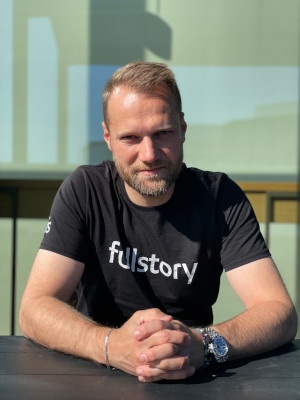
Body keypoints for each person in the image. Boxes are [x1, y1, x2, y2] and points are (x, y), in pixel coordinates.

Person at [19, 61, 298, 383]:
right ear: (108, 137)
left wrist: (203, 344)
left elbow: (279, 311)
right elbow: (34, 307)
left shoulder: (220, 198)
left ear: (183, 128)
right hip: (93, 374)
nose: (149, 154)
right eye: (130, 138)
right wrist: (108, 345)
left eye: (162, 133)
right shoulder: (85, 190)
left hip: (192, 374)